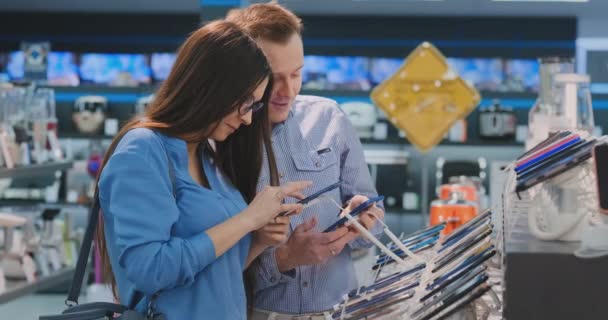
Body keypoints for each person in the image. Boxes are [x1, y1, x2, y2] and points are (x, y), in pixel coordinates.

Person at [95, 20, 311, 320]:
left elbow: (216, 276)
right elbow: (151, 270)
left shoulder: (207, 155)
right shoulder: (143, 150)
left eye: (254, 106)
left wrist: (259, 238)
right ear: (212, 88)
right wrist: (248, 220)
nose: (248, 119)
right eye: (245, 103)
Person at [227, 4, 386, 318]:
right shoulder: (223, 140)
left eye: (297, 74)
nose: (289, 91)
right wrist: (283, 258)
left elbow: (374, 223)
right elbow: (215, 269)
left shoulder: (329, 117)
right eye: (274, 79)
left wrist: (364, 223)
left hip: (340, 309)